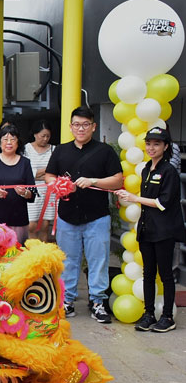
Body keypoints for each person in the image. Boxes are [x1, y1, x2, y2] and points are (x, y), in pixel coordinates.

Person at [45, 106, 123, 324]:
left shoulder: (104, 151)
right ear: (71, 127)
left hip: (97, 217)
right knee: (68, 261)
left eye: (85, 124)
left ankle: (98, 302)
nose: (81, 128)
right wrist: (57, 184)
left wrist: (94, 181)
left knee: (99, 260)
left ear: (93, 126)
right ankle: (67, 301)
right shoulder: (60, 151)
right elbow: (49, 176)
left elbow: (118, 179)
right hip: (67, 216)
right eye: (77, 124)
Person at [116, 127, 186, 333]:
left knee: (165, 274)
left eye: (157, 144)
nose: (151, 148)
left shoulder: (169, 171)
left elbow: (163, 202)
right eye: (148, 144)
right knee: (148, 273)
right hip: (147, 229)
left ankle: (167, 317)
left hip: (164, 230)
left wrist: (135, 198)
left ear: (165, 146)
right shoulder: (147, 168)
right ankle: (148, 314)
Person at [24, 120, 56, 241]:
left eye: (48, 136)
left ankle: (43, 250)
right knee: (31, 225)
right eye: (43, 136)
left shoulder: (54, 150)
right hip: (31, 190)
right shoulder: (26, 149)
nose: (45, 139)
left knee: (45, 224)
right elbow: (27, 173)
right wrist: (47, 170)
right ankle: (31, 250)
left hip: (49, 190)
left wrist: (40, 174)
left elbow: (55, 171)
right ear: (35, 134)